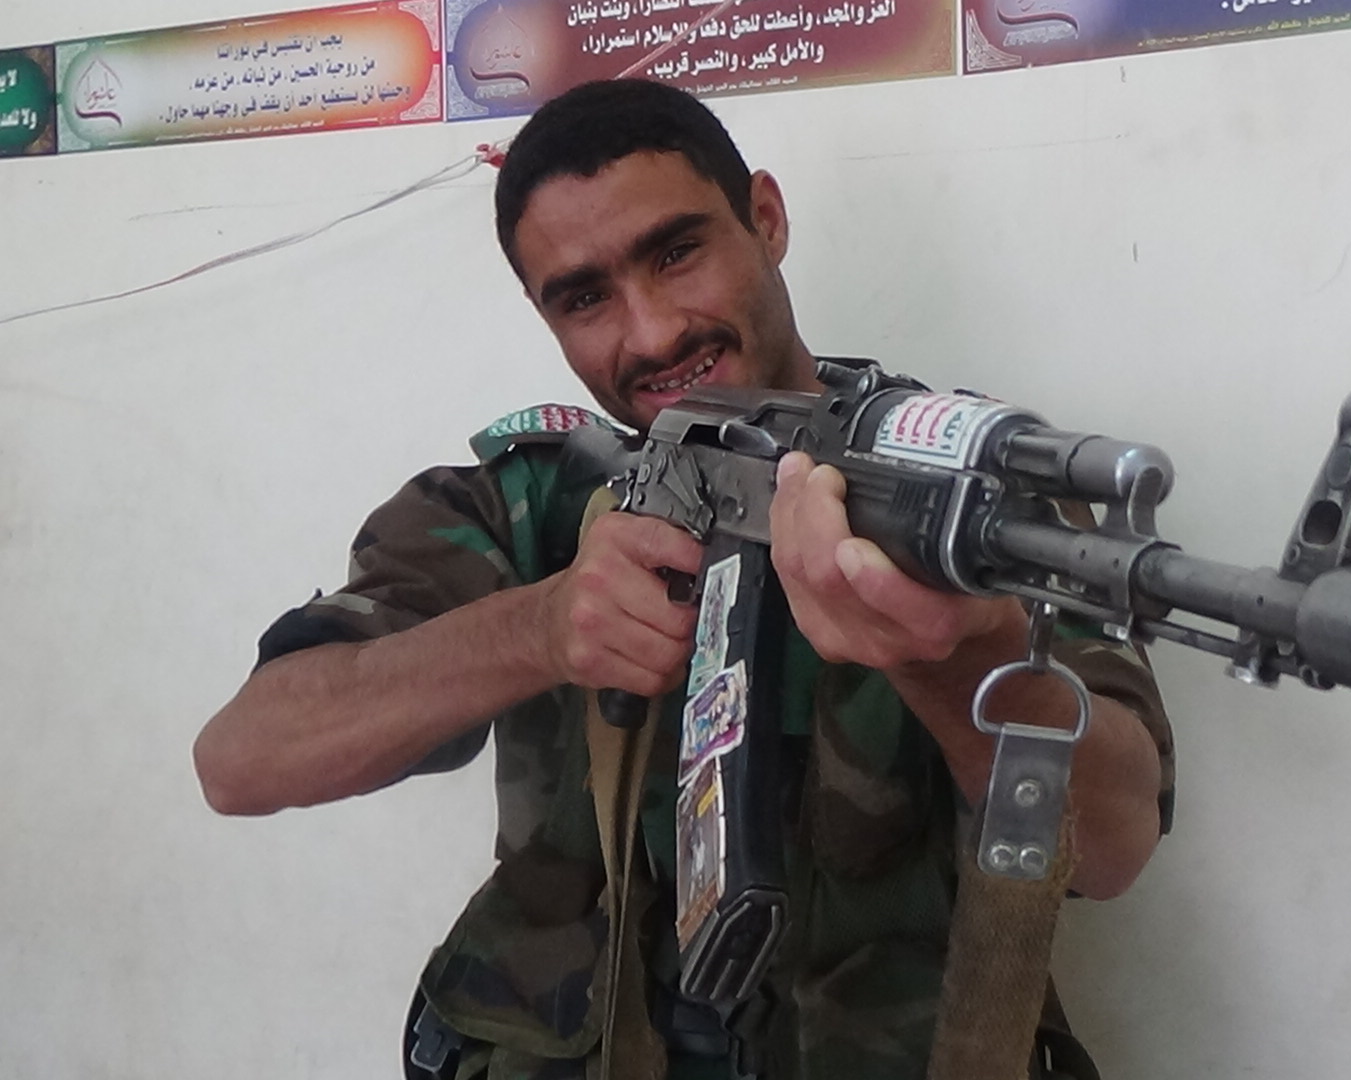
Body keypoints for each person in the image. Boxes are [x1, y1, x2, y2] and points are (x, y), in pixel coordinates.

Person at [192, 78, 1175, 1080]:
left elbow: (1112, 843)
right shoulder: (528, 505)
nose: (655, 332)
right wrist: (540, 629)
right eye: (585, 298)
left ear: (766, 219)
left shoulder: (967, 487)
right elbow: (244, 759)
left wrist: (958, 655)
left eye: (677, 252)